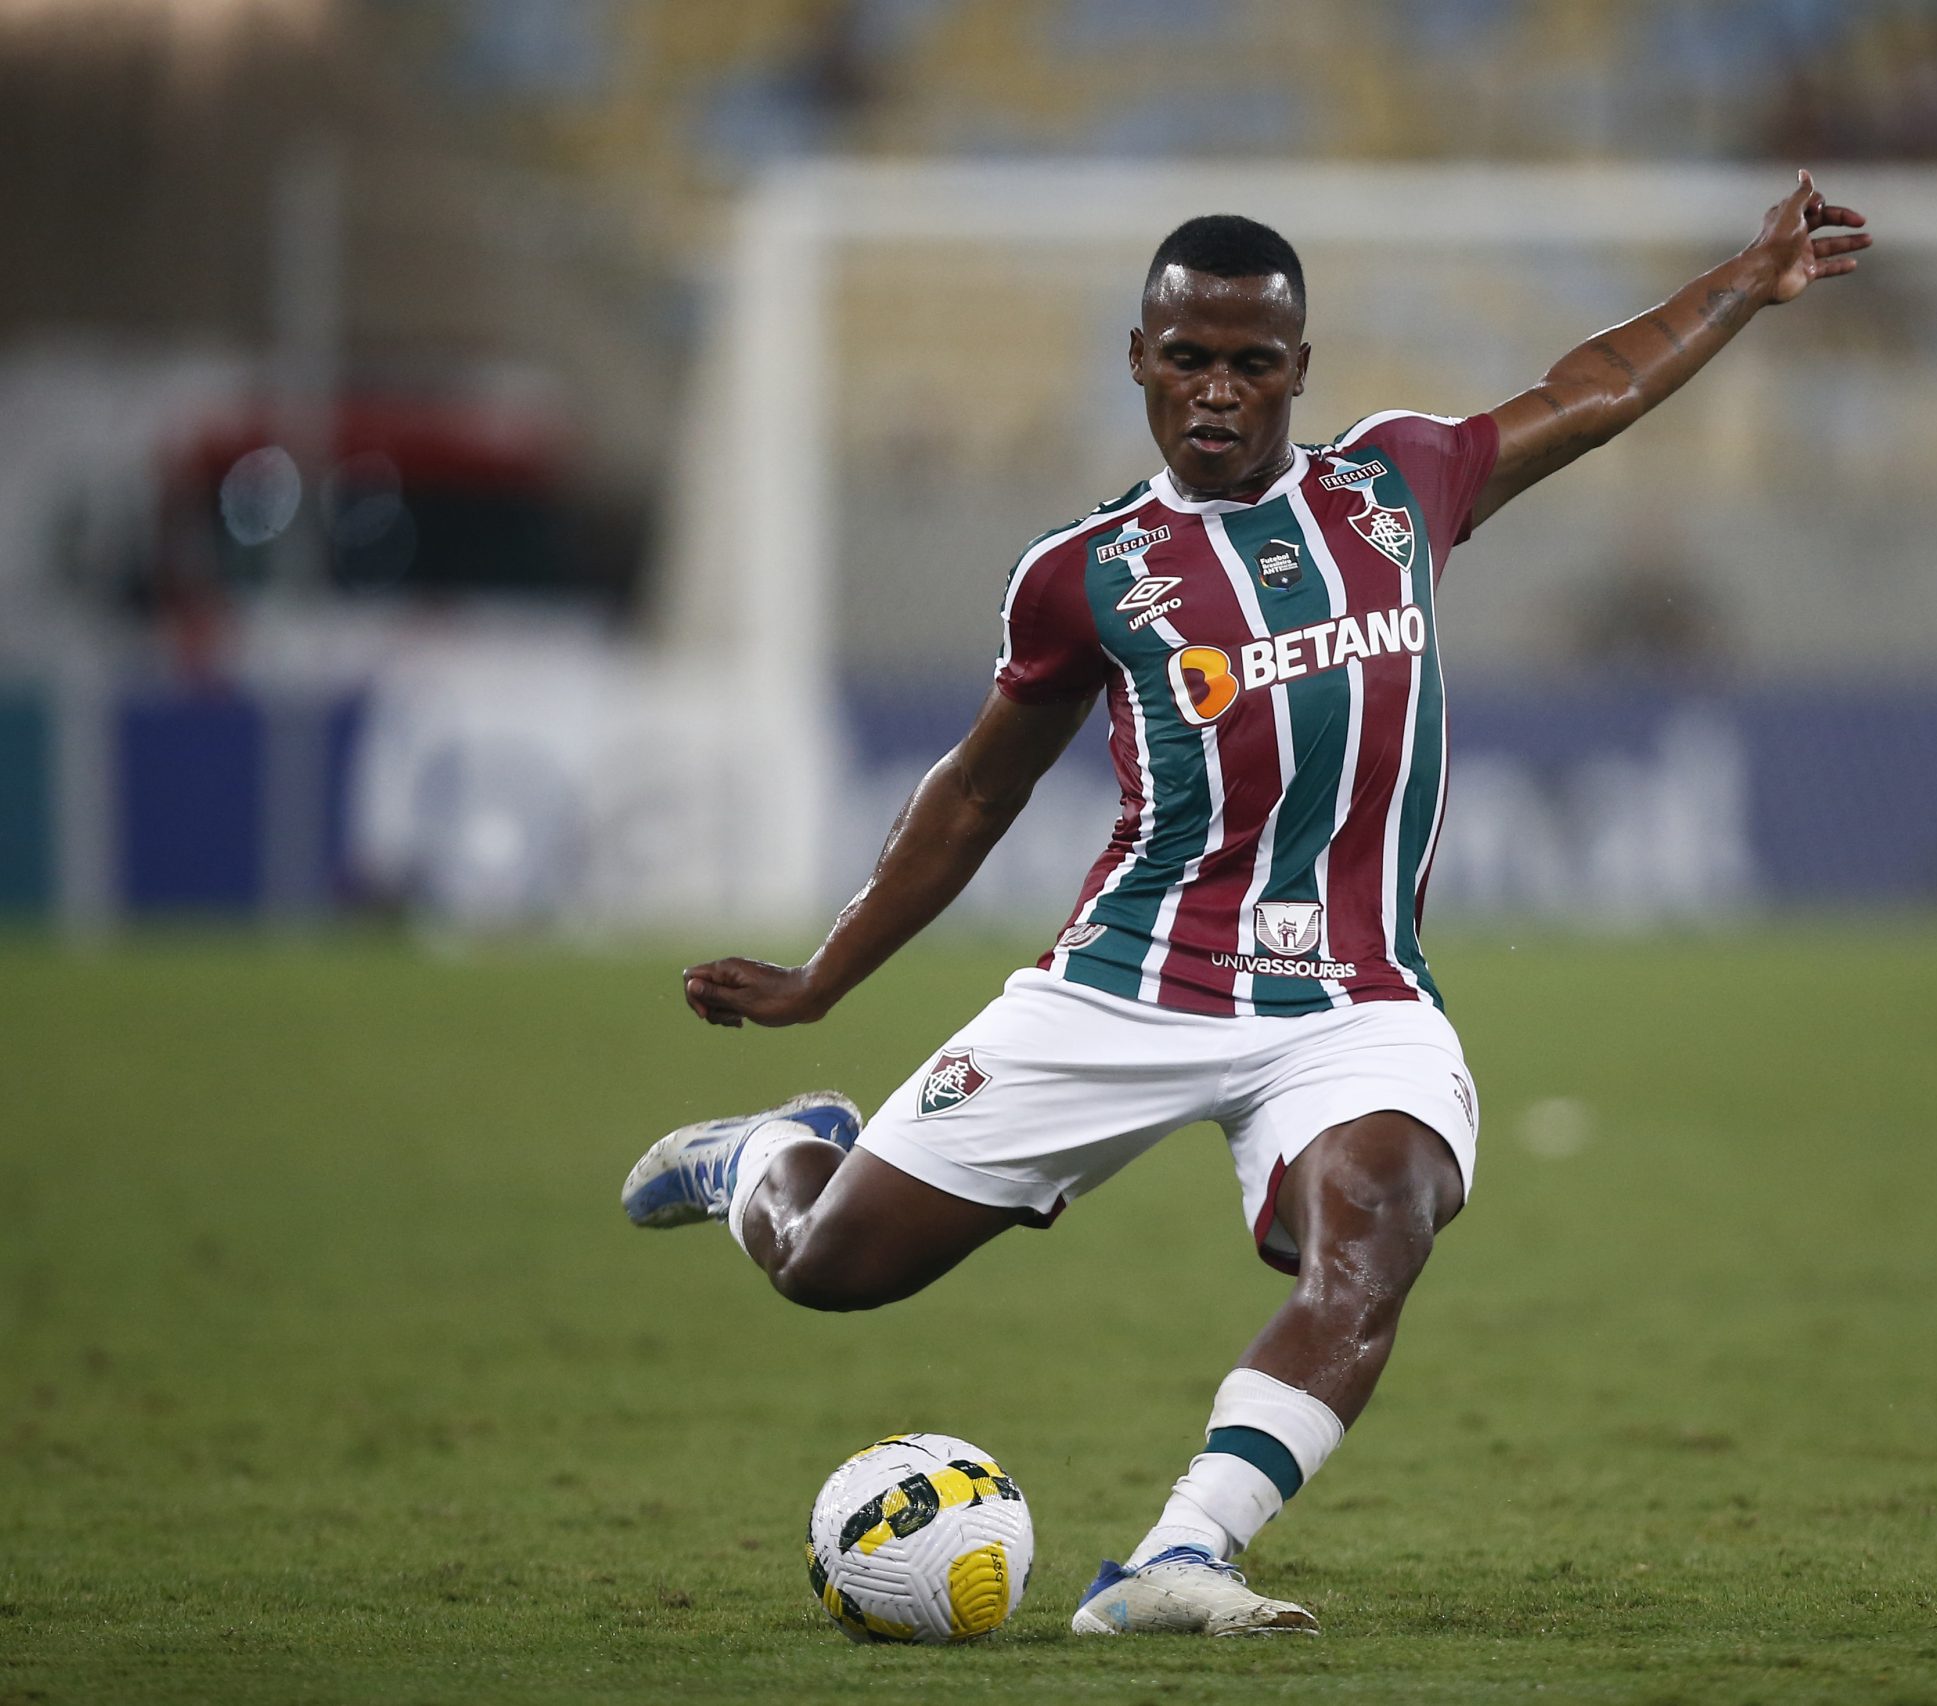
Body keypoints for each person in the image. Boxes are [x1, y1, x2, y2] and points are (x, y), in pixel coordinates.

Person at [622, 172, 1869, 1637]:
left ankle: (1178, 1553)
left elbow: (1590, 391)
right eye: (1187, 358)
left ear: (1299, 370)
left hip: (1351, 1005)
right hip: (1130, 984)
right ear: (1139, 361)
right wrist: (825, 978)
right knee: (831, 1267)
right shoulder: (1084, 578)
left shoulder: (1396, 487)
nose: (1216, 392)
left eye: (1251, 362)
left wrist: (1743, 279)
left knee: (1380, 1226)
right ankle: (774, 1150)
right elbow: (972, 791)